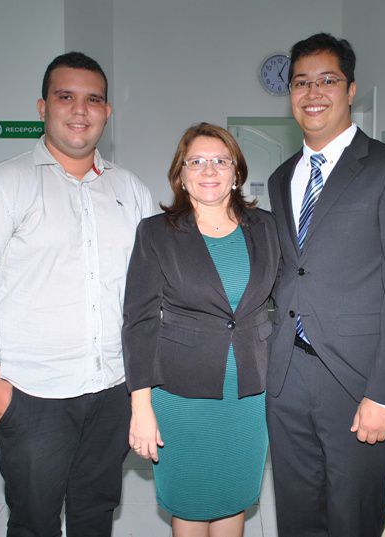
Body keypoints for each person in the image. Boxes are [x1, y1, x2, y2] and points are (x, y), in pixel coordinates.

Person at [0, 51, 153, 536]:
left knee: (95, 513)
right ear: (43, 107)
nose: (80, 110)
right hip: (33, 395)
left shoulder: (131, 191)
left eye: (93, 100)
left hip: (112, 390)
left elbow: (146, 291)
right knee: (34, 522)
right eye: (66, 97)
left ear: (107, 112)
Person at [266, 33, 385, 536]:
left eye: (327, 80)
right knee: (296, 514)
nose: (313, 92)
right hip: (287, 378)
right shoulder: (280, 178)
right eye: (301, 82)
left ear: (351, 89)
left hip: (359, 383)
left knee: (351, 518)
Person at [122, 123, 279, 537]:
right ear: (181, 174)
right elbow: (138, 324)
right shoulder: (155, 234)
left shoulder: (267, 228)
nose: (209, 170)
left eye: (220, 161)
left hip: (249, 395)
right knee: (190, 504)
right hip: (181, 397)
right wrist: (141, 409)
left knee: (235, 500)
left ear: (236, 172)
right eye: (196, 161)